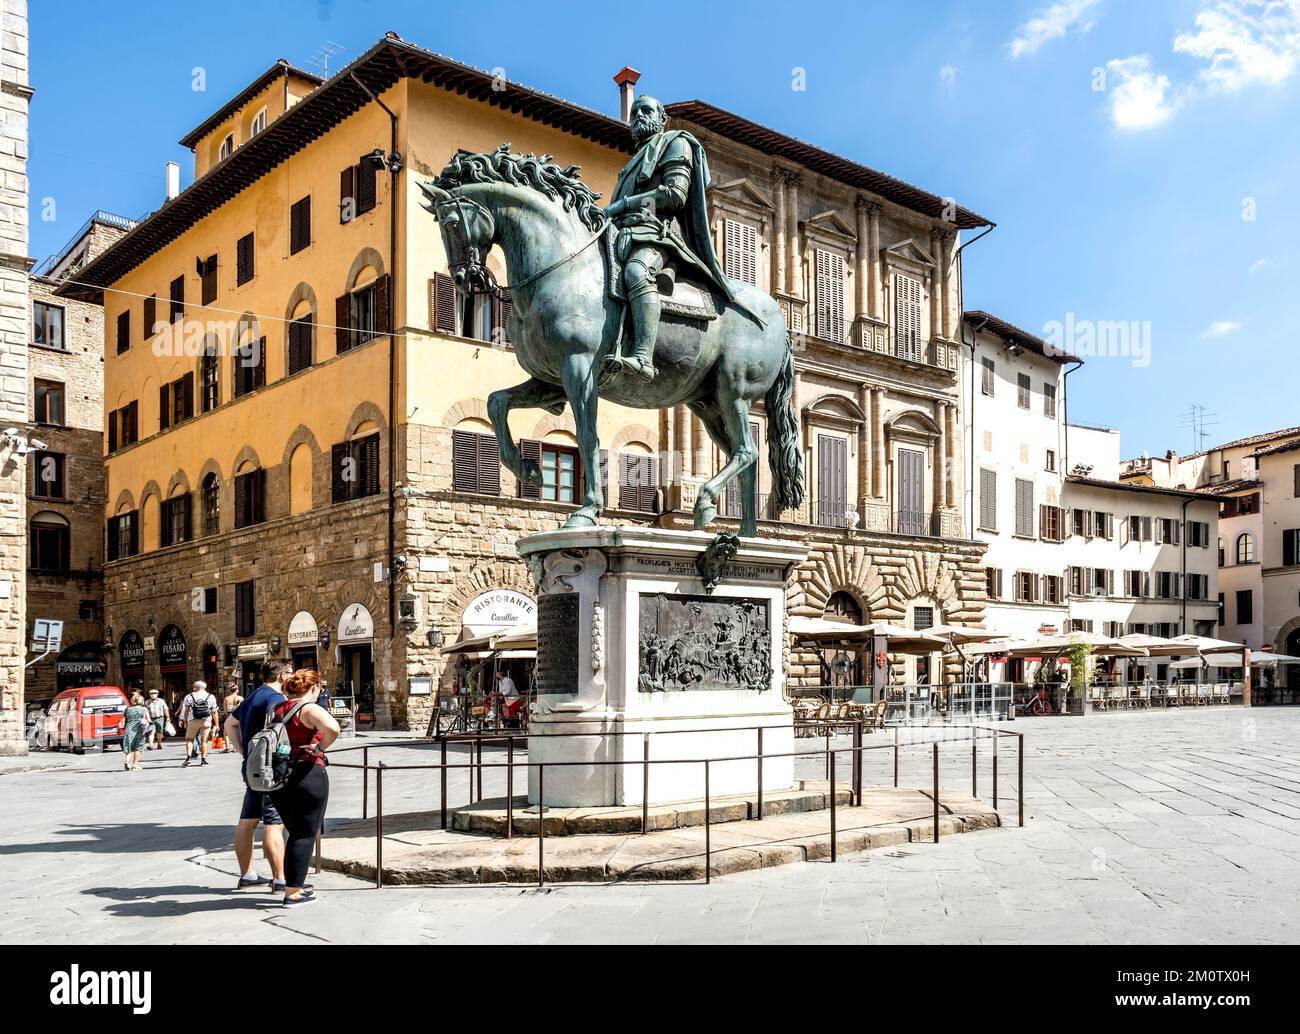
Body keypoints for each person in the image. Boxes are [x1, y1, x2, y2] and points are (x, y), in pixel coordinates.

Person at [601, 95, 763, 381]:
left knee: (637, 272)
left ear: (662, 118)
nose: (639, 115)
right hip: (623, 233)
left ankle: (642, 357)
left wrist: (625, 205)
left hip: (656, 235)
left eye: (647, 110)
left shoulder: (677, 143)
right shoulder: (632, 163)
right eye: (635, 111)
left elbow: (675, 195)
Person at [268, 670, 339, 907]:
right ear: (315, 688)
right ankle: (293, 892)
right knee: (306, 833)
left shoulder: (276, 709)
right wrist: (320, 748)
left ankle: (292, 884)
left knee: (294, 831)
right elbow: (333, 728)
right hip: (307, 773)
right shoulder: (308, 708)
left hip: (279, 777)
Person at [223, 659, 287, 892]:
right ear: (281, 676)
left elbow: (229, 724)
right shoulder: (276, 699)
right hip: (269, 768)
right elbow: (278, 731)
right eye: (288, 673)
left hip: (251, 767)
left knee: (247, 820)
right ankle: (280, 879)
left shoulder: (252, 696)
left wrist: (244, 751)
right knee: (274, 823)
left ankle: (247, 874)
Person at [179, 680, 218, 767]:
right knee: (204, 741)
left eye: (194, 686)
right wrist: (217, 724)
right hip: (206, 721)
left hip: (193, 721)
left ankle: (188, 758)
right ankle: (203, 760)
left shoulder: (189, 696)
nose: (193, 688)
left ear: (197, 687)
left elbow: (186, 710)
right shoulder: (211, 696)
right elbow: (214, 711)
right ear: (204, 687)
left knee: (189, 739)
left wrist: (184, 720)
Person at [121, 692, 150, 771]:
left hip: (129, 729)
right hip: (140, 730)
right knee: (138, 748)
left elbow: (125, 720)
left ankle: (127, 761)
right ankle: (135, 765)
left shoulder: (128, 709)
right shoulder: (143, 709)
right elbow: (148, 720)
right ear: (141, 701)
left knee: (129, 747)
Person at [221, 683, 244, 753]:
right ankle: (235, 747)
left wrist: (227, 713)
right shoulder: (241, 698)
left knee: (226, 732)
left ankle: (227, 747)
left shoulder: (227, 698)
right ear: (236, 690)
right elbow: (244, 708)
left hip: (229, 714)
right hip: (238, 715)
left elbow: (225, 709)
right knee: (238, 731)